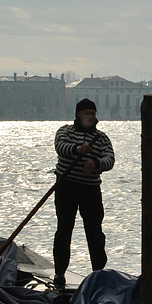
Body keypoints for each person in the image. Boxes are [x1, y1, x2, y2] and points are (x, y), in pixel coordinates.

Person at [52, 98, 115, 289]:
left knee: (95, 232)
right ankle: (59, 273)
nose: (90, 117)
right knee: (64, 230)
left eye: (93, 114)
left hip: (90, 190)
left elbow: (110, 159)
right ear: (78, 115)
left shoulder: (101, 138)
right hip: (66, 187)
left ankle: (99, 273)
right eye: (87, 113)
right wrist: (78, 149)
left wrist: (95, 163)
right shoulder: (65, 131)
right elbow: (60, 147)